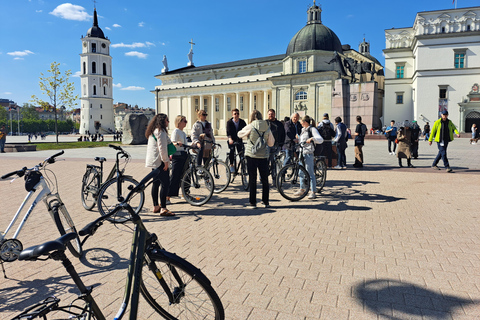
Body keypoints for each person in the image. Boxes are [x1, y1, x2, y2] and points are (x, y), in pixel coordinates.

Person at [238, 110, 275, 209]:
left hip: (251, 155)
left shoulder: (251, 125)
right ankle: (266, 201)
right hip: (263, 155)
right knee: (265, 179)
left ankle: (253, 203)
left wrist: (248, 134)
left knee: (252, 179)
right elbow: (271, 143)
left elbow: (239, 134)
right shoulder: (267, 126)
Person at [145, 113, 174, 216]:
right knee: (165, 184)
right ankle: (163, 208)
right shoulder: (161, 132)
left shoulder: (153, 131)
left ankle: (156, 206)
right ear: (162, 121)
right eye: (167, 120)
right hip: (160, 161)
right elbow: (162, 148)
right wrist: (166, 161)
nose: (168, 122)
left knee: (156, 183)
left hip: (153, 162)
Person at [297, 115, 323, 199]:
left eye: (301, 122)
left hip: (309, 153)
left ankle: (313, 191)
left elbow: (320, 139)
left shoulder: (312, 129)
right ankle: (302, 189)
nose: (300, 123)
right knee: (301, 172)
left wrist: (312, 139)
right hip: (302, 153)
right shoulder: (303, 130)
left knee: (310, 172)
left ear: (305, 122)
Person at [167, 115, 189, 204]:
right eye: (184, 121)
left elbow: (185, 144)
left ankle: (185, 193)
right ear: (179, 122)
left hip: (183, 154)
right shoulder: (175, 131)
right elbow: (172, 142)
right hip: (177, 155)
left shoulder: (183, 132)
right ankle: (167, 196)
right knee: (175, 176)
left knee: (185, 175)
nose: (186, 122)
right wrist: (177, 143)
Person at [266, 109, 285, 179]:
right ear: (267, 115)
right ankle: (263, 177)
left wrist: (281, 144)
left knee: (274, 162)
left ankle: (274, 179)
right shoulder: (265, 123)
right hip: (266, 146)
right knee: (265, 162)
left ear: (275, 114)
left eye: (272, 114)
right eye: (269, 114)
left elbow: (283, 134)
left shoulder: (279, 124)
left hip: (276, 146)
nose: (271, 115)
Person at [226, 108, 247, 173]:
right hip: (232, 139)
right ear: (232, 115)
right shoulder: (229, 122)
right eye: (235, 114)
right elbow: (228, 132)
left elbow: (246, 130)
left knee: (242, 153)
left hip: (239, 140)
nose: (236, 115)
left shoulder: (242, 122)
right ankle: (232, 165)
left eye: (237, 114)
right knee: (232, 151)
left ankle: (243, 166)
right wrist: (230, 139)